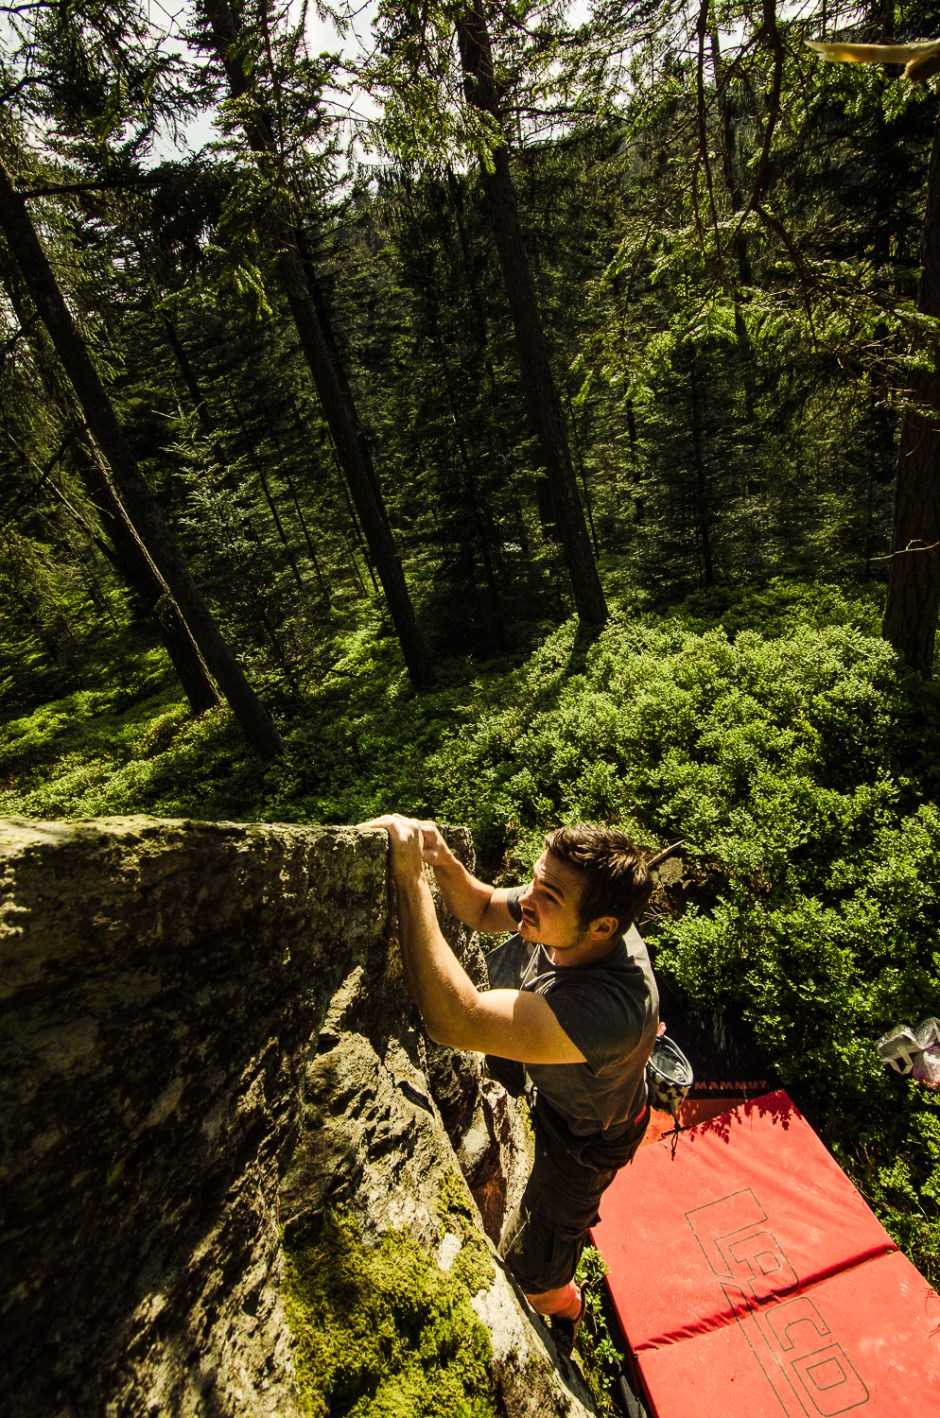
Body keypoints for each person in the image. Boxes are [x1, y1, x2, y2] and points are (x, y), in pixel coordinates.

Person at [362, 814, 660, 1355]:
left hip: (587, 1139)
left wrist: (411, 881)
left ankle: (568, 1305)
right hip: (558, 1088)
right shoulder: (567, 905)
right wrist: (441, 859)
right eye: (535, 880)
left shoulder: (613, 1011)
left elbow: (455, 1021)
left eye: (547, 895)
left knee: (534, 1276)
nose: (529, 900)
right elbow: (480, 908)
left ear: (603, 928)